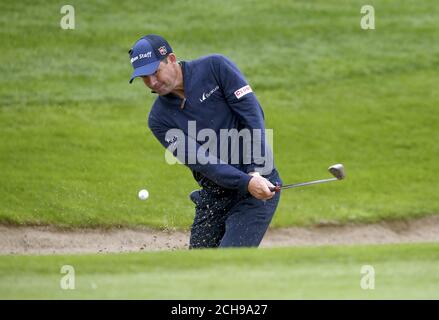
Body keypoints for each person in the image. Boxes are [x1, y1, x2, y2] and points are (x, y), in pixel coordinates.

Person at [128, 34, 282, 248]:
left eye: (155, 72)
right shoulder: (159, 119)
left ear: (171, 59)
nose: (152, 82)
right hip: (215, 197)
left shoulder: (215, 67)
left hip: (259, 188)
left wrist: (255, 170)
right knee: (199, 269)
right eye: (145, 78)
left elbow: (252, 116)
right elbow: (202, 161)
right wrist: (245, 182)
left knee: (228, 264)